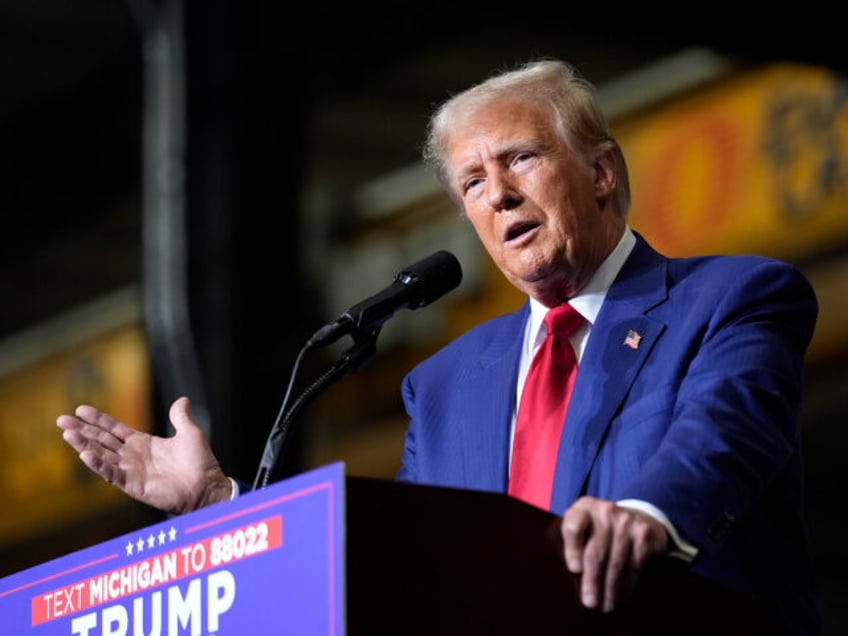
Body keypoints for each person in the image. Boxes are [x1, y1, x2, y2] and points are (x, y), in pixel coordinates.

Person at [57, 58, 823, 634]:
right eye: (472, 182)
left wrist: (646, 516)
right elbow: (404, 559)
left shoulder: (734, 297)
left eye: (521, 157)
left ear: (600, 172)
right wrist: (225, 510)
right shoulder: (447, 382)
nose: (497, 193)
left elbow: (722, 439)